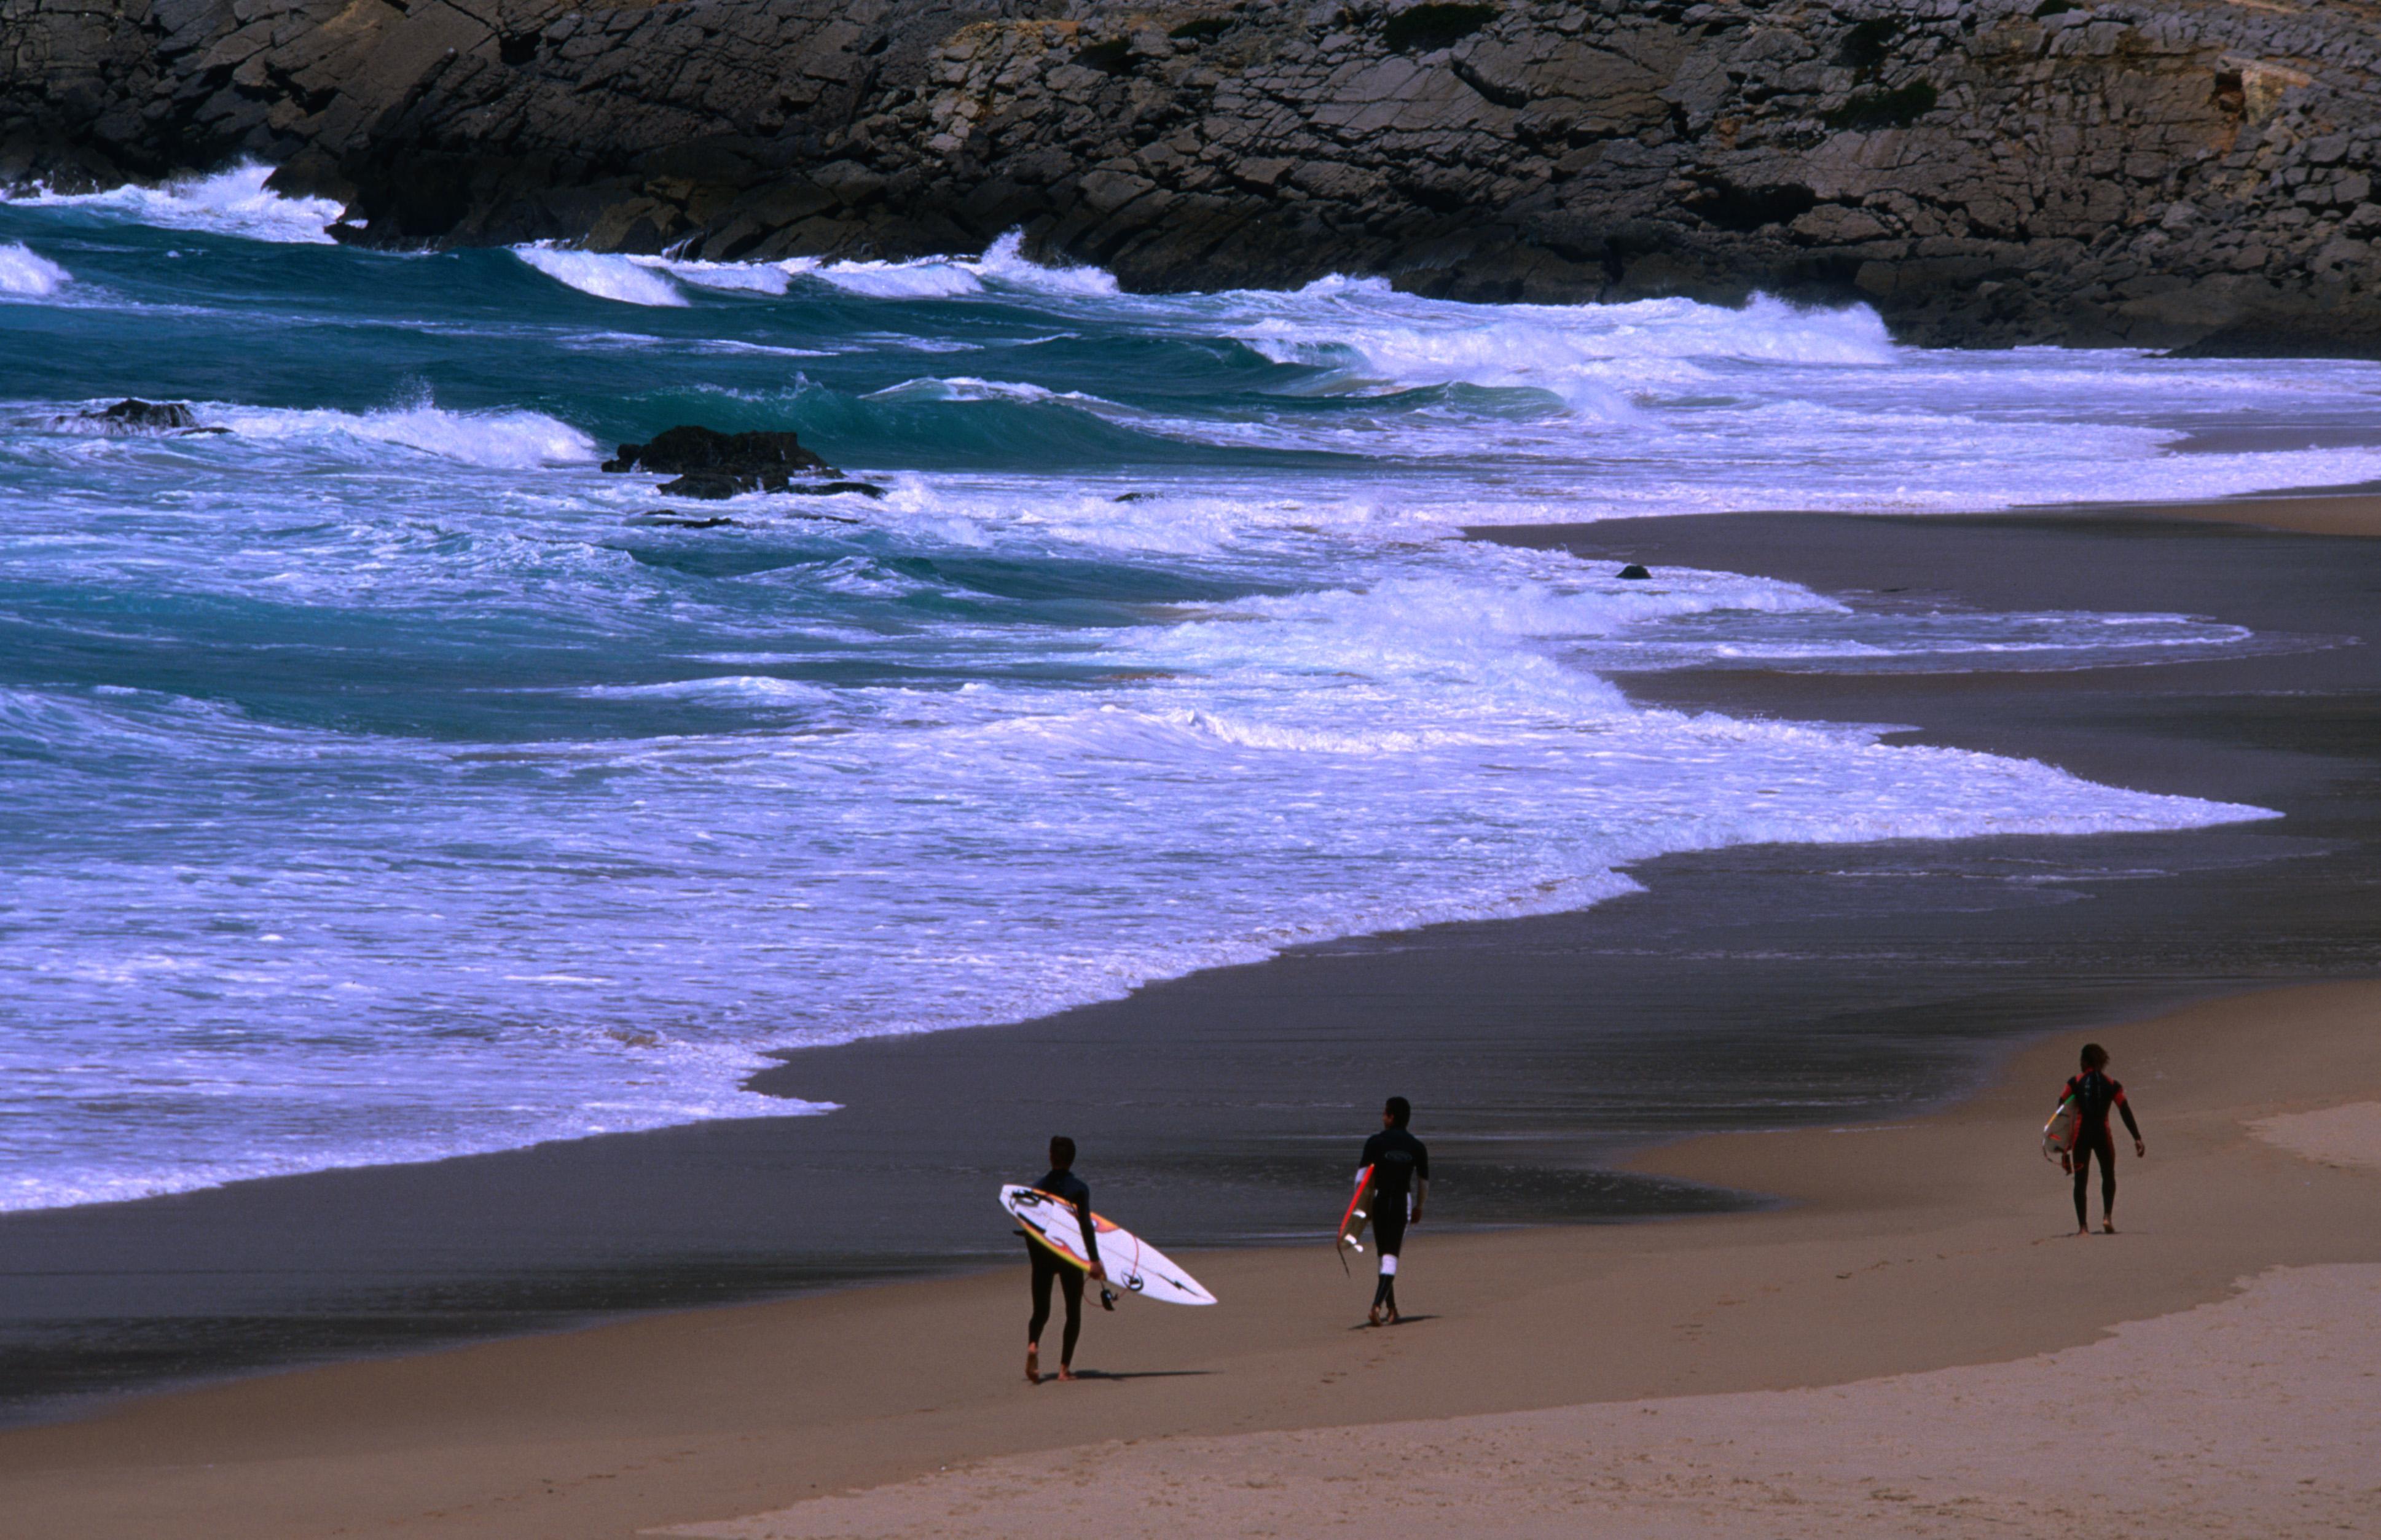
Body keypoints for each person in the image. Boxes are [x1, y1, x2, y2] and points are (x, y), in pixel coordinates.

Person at [1024, 1135, 1106, 1384]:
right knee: (1073, 1313)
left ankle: (1033, 1345)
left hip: (1044, 1255)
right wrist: (1094, 1260)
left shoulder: (1037, 1187)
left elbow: (1030, 1227)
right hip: (1069, 1256)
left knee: (1041, 1311)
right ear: (1072, 1159)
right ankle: (1063, 1370)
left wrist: (1037, 1258)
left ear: (1051, 1156)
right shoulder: (1079, 1189)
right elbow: (1085, 1226)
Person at [2057, 1042, 2145, 1235]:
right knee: (2108, 1175)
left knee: (2081, 1181)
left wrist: (2063, 1147)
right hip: (2102, 1135)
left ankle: (2083, 1227)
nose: (2079, 1063)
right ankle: (2107, 1217)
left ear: (2086, 1061)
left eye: (2081, 1060)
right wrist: (2137, 1137)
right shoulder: (2113, 1084)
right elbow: (2124, 1110)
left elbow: (2061, 1113)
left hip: (2082, 1136)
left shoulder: (2074, 1083)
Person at [1359, 1096, 1429, 1326]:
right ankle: (1376, 1306)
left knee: (1383, 1255)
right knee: (1391, 1256)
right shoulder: (1417, 1147)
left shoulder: (1375, 1143)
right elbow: (1423, 1183)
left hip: (1379, 1202)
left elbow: (1360, 1179)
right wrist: (1419, 1206)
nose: (1382, 1117)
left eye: (1384, 1113)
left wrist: (1362, 1206)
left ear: (1391, 1117)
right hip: (1401, 1203)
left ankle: (1392, 1309)